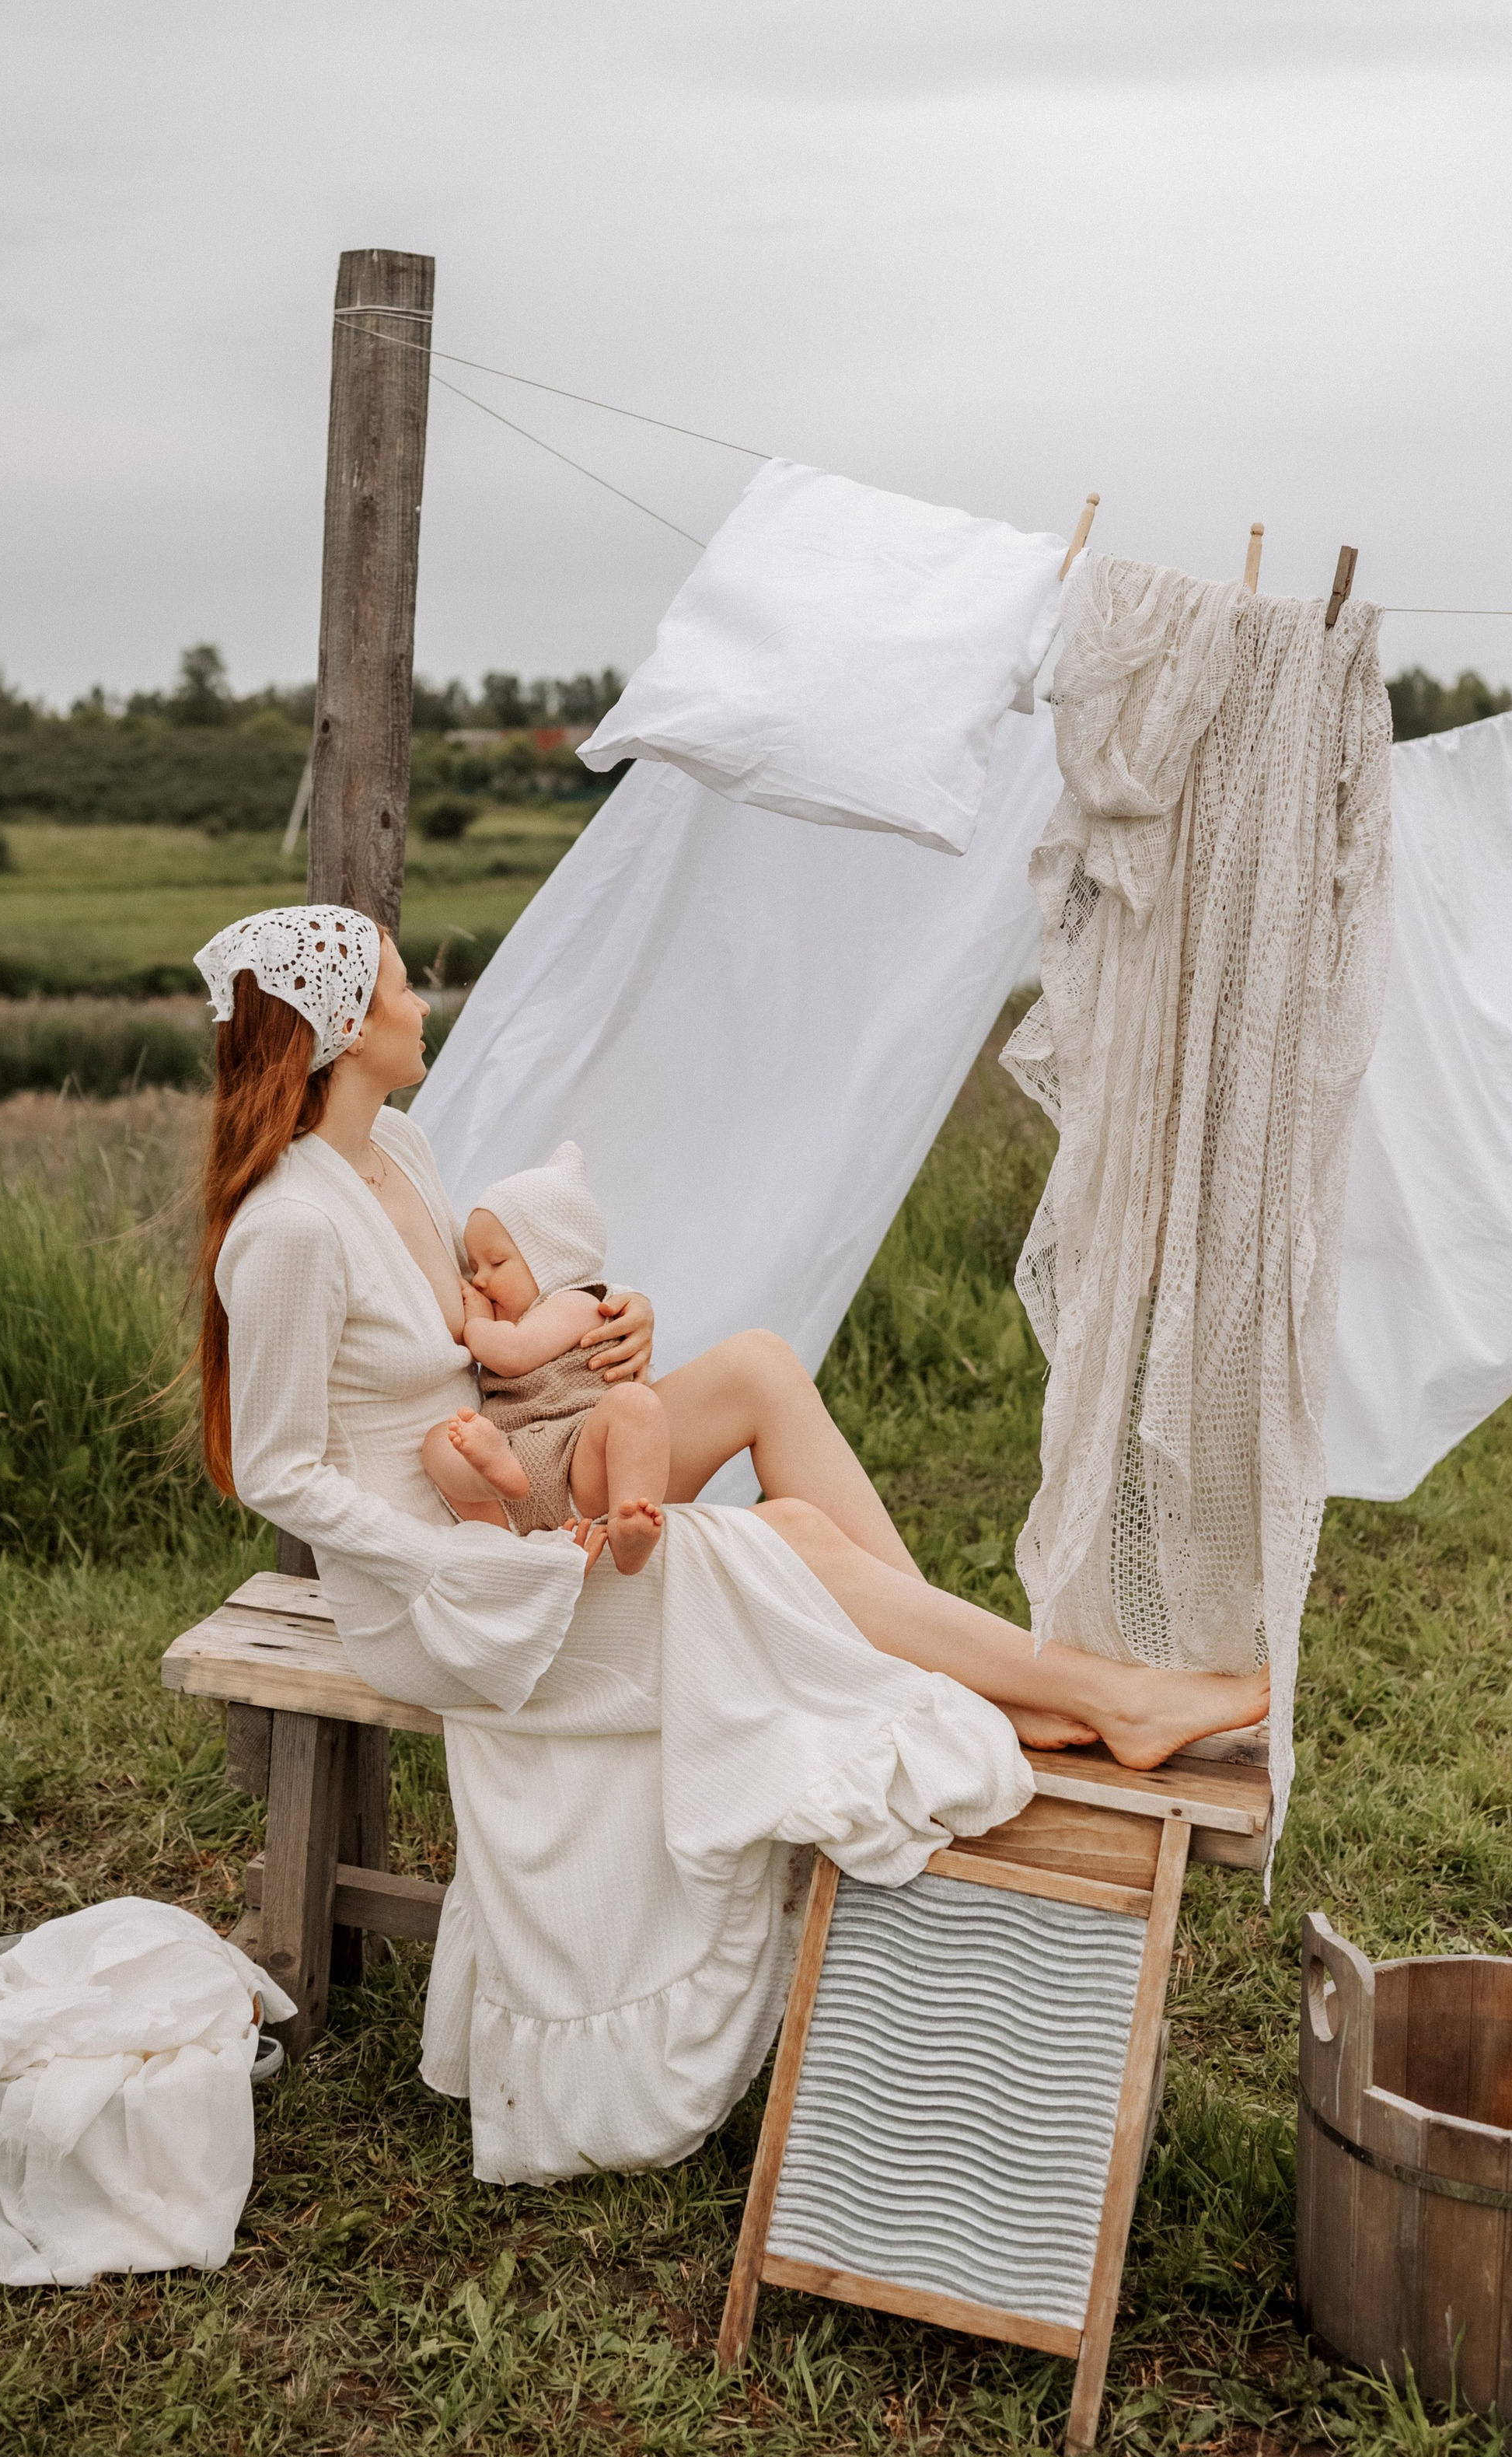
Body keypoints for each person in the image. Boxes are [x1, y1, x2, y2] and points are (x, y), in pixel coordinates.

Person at [190, 903, 1268, 2184]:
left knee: (755, 1368)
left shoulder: (403, 1155)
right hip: (438, 1599)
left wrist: (607, 1317)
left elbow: (483, 1337)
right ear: (346, 1024)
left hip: (516, 1502)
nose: (424, 999)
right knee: (785, 1542)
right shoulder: (288, 1229)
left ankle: (985, 1679)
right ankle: (1099, 1696)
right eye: (402, 985)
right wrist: (457, 1566)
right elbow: (276, 1470)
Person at [423, 1141, 668, 1577]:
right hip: (511, 1465)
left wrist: (475, 1323)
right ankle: (494, 1483)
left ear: (553, 1261)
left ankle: (629, 1525)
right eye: (474, 1266)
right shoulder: (514, 1318)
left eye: (496, 1262)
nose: (479, 1280)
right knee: (437, 1441)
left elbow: (514, 1354)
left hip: (578, 1458)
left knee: (636, 1406)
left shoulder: (577, 1302)